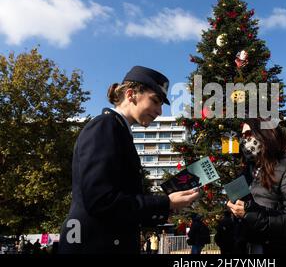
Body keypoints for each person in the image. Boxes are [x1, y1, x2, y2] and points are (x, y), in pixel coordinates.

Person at [59, 66, 200, 254]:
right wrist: (165, 203)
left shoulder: (117, 129)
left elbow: (121, 207)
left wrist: (169, 206)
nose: (159, 111)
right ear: (131, 94)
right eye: (155, 101)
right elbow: (101, 201)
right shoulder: (105, 126)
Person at [227, 118, 286, 254]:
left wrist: (251, 214)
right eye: (242, 135)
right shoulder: (248, 171)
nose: (244, 139)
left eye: (248, 133)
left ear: (266, 133)